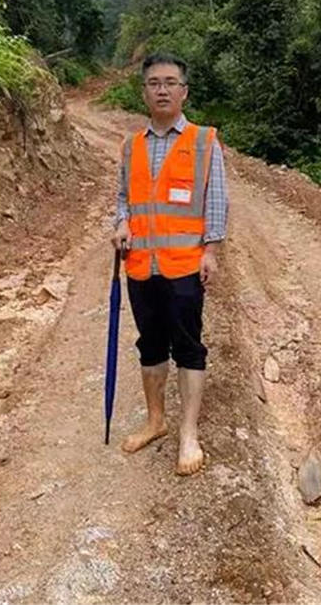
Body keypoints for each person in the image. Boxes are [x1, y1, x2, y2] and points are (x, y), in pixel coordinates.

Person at [111, 52, 228, 476]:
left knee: (189, 347)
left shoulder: (203, 141)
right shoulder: (132, 146)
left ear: (184, 92)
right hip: (141, 265)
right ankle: (156, 421)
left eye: (170, 83)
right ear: (144, 92)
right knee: (151, 344)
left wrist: (211, 250)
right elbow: (123, 198)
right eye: (154, 83)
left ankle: (188, 434)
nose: (162, 90)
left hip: (184, 266)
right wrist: (121, 223)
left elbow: (216, 199)